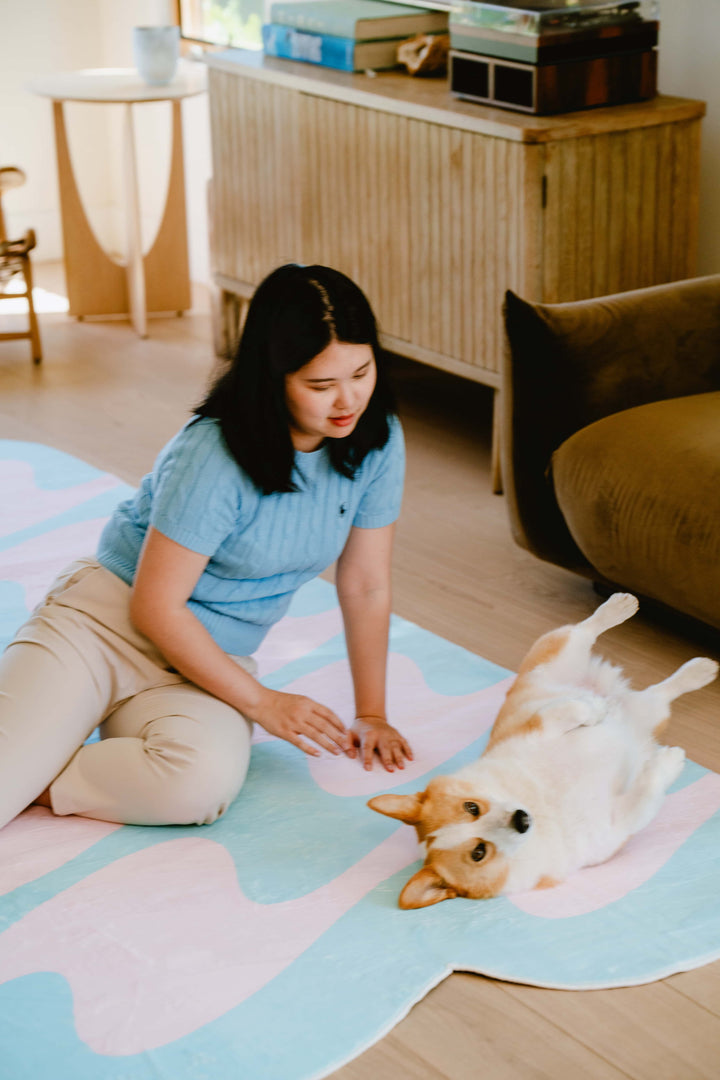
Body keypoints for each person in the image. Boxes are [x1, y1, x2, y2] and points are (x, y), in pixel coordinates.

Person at [0, 263, 411, 831]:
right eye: (320, 385)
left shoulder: (377, 441)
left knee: (194, 790)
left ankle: (37, 769)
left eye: (361, 373)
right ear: (273, 378)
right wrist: (264, 704)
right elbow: (155, 606)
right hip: (104, 628)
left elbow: (365, 583)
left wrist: (372, 713)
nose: (348, 400)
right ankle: (24, 754)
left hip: (207, 663)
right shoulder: (214, 452)